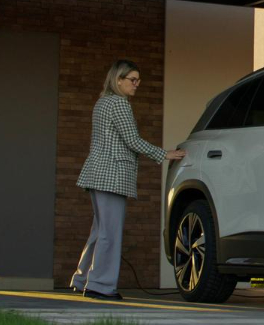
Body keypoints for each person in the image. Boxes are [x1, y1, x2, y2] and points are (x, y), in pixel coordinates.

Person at [71, 60, 185, 300]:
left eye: (138, 80)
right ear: (118, 80)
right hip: (112, 175)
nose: (137, 84)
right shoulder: (119, 104)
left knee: (99, 231)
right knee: (109, 233)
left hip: (96, 173)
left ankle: (82, 279)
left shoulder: (102, 102)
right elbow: (132, 140)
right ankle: (100, 286)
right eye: (132, 80)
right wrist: (163, 154)